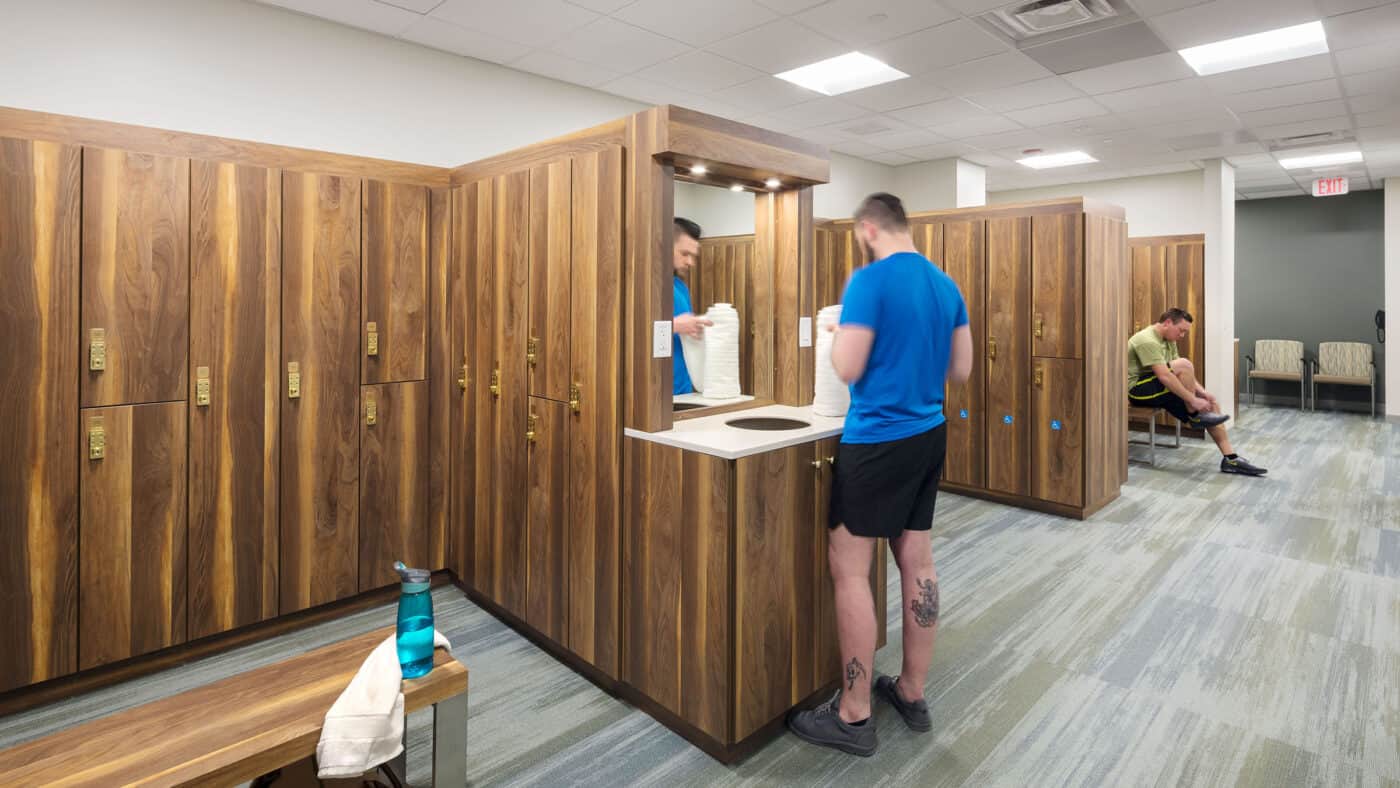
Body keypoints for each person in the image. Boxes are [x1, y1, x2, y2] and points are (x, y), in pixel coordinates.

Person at [787, 193, 972, 757]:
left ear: (868, 229)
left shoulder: (868, 282)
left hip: (877, 438)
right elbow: (960, 369)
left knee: (850, 570)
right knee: (917, 559)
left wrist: (851, 336)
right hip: (928, 432)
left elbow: (846, 366)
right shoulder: (947, 286)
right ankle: (912, 693)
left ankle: (853, 712)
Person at [1128, 309, 1266, 476]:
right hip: (1136, 391)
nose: (1182, 335)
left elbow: (1182, 374)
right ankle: (1194, 414)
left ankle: (1231, 459)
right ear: (1167, 323)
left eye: (1185, 332)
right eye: (1181, 330)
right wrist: (1193, 400)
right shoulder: (1146, 339)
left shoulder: (1169, 339)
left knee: (1211, 406)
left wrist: (1203, 393)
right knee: (1185, 366)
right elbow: (1165, 376)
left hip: (1156, 387)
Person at [671, 217, 711, 395]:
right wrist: (675, 325)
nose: (690, 262)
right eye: (684, 254)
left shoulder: (680, 287)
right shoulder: (645, 286)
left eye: (693, 256)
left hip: (684, 391)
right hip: (653, 396)